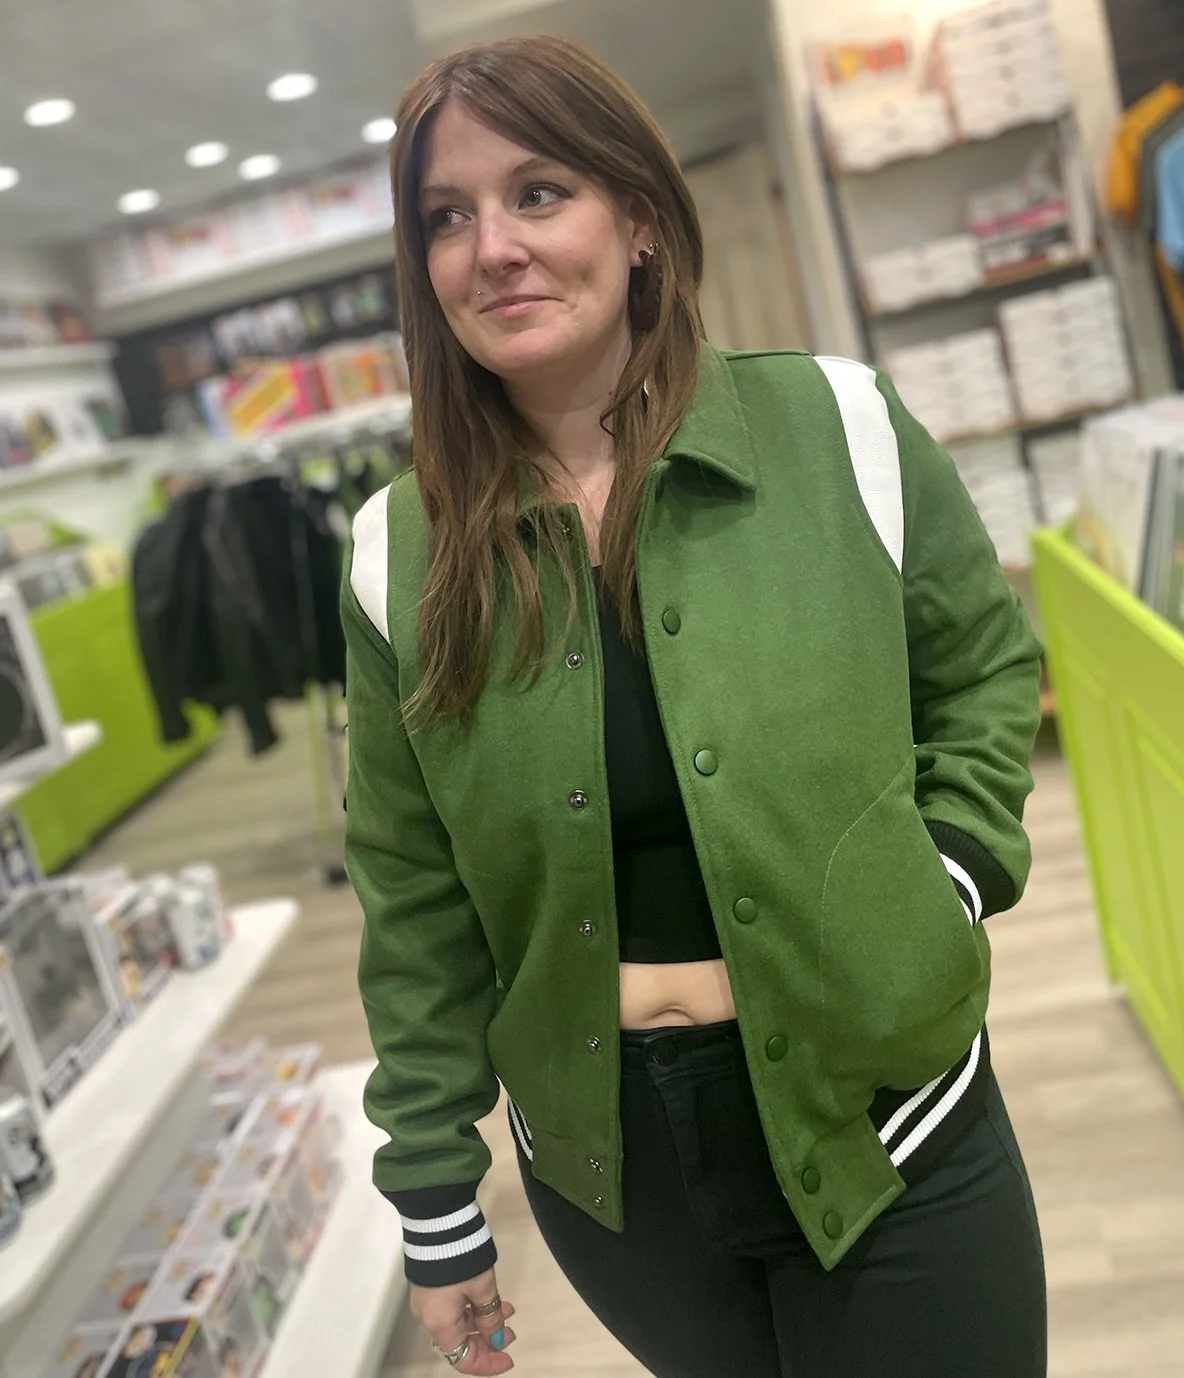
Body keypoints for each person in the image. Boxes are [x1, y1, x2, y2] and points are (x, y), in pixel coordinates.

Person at [343, 33, 1047, 1378]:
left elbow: (983, 669)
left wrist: (944, 877)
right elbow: (412, 892)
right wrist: (437, 1210)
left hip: (891, 1118)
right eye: (447, 216)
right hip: (617, 1182)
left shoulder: (836, 425)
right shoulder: (396, 551)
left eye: (540, 191)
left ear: (641, 219)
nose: (493, 246)